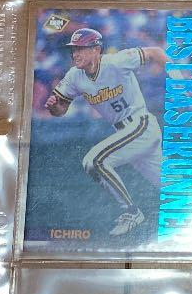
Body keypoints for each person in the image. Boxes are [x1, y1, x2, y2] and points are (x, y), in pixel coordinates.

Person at [44, 26, 167, 237]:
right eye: (73, 49)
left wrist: (179, 75)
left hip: (140, 125)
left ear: (96, 49)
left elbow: (155, 52)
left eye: (80, 49)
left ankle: (131, 212)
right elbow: (60, 110)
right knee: (172, 186)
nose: (75, 54)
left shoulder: (116, 62)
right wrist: (54, 106)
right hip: (127, 135)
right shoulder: (74, 76)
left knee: (94, 161)